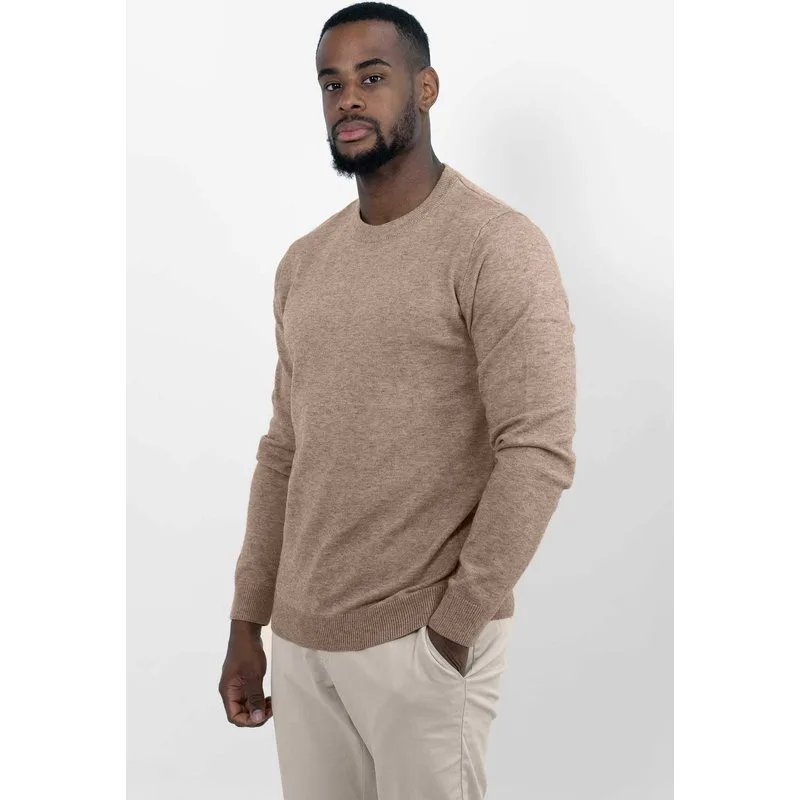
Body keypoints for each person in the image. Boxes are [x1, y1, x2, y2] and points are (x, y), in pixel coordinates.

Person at [218, 3, 577, 797]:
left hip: (421, 639)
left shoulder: (494, 244)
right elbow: (284, 450)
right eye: (331, 83)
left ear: (426, 87)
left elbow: (538, 451)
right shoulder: (304, 263)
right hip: (302, 643)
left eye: (373, 77)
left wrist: (454, 628)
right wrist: (250, 620)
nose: (348, 98)